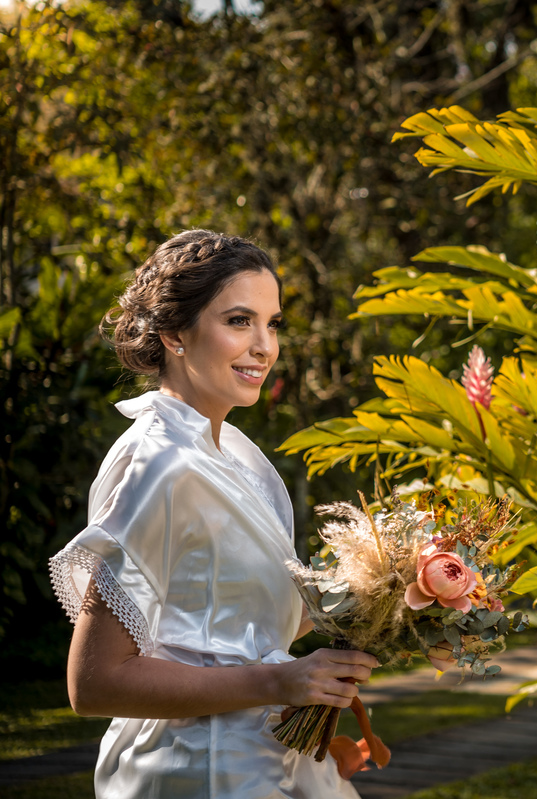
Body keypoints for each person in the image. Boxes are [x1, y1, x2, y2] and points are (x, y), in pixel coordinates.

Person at [49, 230, 376, 798]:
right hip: (199, 769)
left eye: (272, 323)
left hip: (265, 759)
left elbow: (240, 621)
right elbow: (94, 682)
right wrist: (278, 681)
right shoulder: (160, 466)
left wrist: (385, 590)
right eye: (239, 321)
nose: (264, 346)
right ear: (175, 333)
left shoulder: (229, 455)